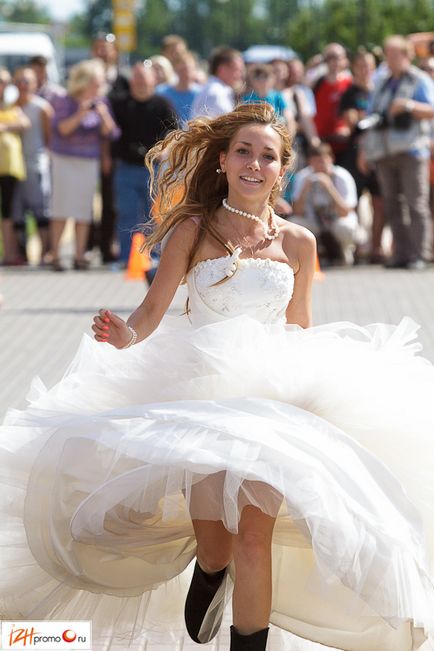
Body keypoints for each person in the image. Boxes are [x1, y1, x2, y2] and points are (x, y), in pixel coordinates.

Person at [0, 103, 433, 651]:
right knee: (217, 542)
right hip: (201, 390)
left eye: (268, 156)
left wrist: (313, 397)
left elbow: (299, 327)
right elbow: (152, 312)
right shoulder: (193, 229)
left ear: (282, 170)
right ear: (224, 160)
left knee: (255, 534)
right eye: (245, 152)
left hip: (273, 401)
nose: (256, 164)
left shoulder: (299, 242)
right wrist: (123, 336)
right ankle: (209, 572)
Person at [361, 35, 434, 270]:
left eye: (393, 55)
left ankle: (420, 255)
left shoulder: (419, 79)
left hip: (413, 151)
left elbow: (432, 110)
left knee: (416, 203)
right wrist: (365, 148)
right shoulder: (382, 82)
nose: (389, 60)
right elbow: (371, 115)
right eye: (387, 55)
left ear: (406, 55)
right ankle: (401, 254)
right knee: (392, 204)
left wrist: (408, 106)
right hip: (384, 152)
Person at [49, 58, 120, 271]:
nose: (99, 87)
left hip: (89, 161)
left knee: (83, 210)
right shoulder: (65, 100)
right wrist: (80, 113)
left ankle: (79, 255)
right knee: (61, 208)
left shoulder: (102, 103)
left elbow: (113, 133)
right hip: (65, 160)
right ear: (85, 81)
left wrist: (104, 115)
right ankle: (56, 255)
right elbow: (61, 129)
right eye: (96, 83)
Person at [110, 61, 178, 272]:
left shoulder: (163, 104)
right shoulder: (119, 104)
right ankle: (125, 257)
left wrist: (165, 151)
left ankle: (154, 257)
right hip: (126, 167)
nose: (140, 83)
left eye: (144, 78)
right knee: (127, 213)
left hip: (154, 169)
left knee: (154, 215)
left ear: (153, 81)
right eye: (136, 78)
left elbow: (174, 134)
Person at [291, 142, 359, 264]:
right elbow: (297, 212)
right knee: (295, 223)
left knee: (346, 226)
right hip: (314, 222)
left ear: (331, 159)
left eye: (323, 161)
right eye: (316, 162)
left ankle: (346, 251)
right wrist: (305, 189)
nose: (320, 166)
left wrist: (330, 188)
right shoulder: (303, 177)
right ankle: (306, 258)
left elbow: (345, 212)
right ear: (310, 162)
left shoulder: (342, 176)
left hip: (336, 221)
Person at [12, 66, 53, 265]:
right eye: (19, 81)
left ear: (35, 83)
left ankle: (45, 252)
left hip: (36, 164)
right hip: (15, 166)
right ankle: (23, 254)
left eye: (26, 81)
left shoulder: (42, 107)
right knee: (18, 212)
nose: (22, 85)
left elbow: (49, 138)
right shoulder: (11, 106)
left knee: (40, 210)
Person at [0, 66, 30, 265]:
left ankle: (9, 253)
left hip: (8, 167)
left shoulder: (12, 107)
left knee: (8, 211)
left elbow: (25, 123)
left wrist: (5, 126)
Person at [191, 46, 245, 118]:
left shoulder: (217, 89)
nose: (240, 75)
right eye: (237, 69)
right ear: (222, 69)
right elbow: (225, 125)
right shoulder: (216, 93)